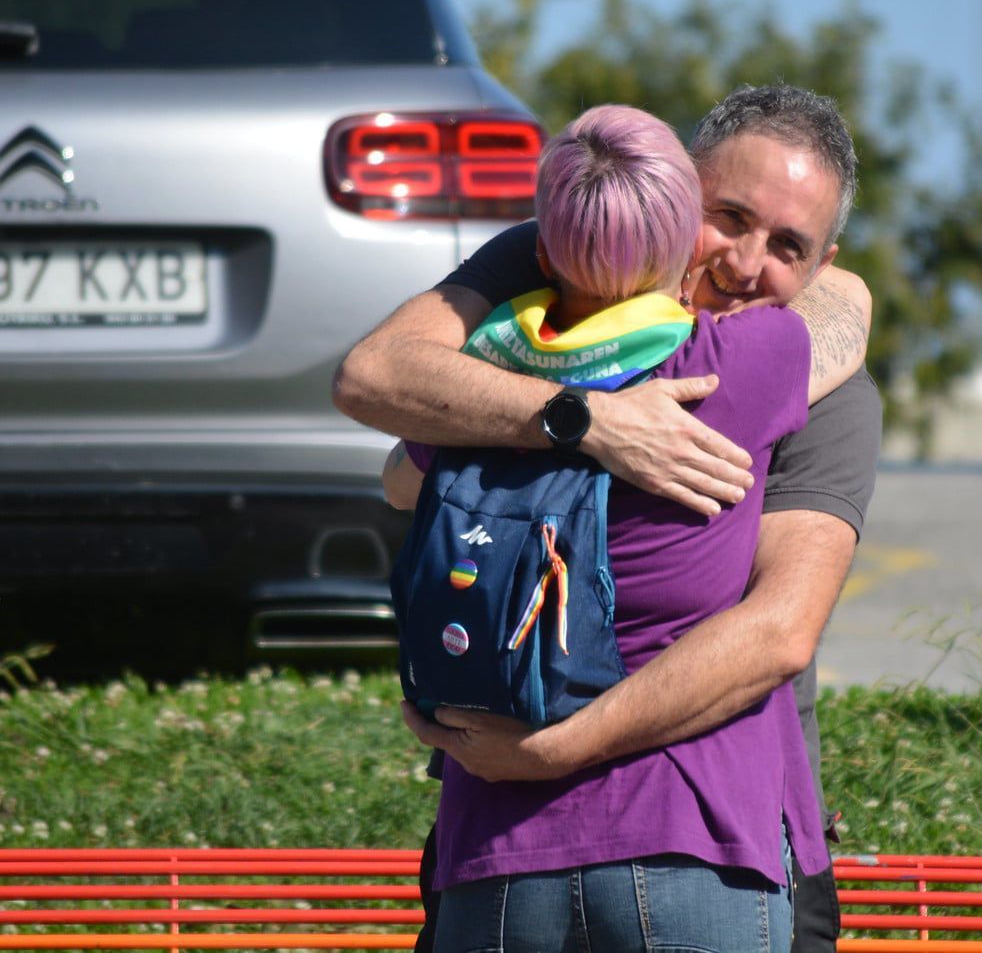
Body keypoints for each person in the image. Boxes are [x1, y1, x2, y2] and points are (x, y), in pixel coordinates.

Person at [333, 83, 882, 951]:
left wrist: (554, 748)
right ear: (680, 199)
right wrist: (589, 420)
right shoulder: (759, 363)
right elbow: (374, 380)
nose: (747, 264)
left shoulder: (498, 354)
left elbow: (402, 472)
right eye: (729, 218)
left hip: (522, 830)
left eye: (788, 246)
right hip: (696, 840)